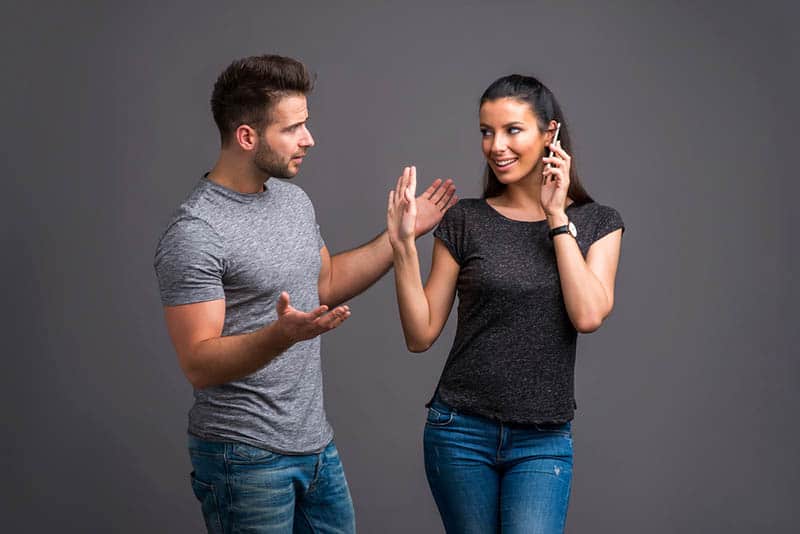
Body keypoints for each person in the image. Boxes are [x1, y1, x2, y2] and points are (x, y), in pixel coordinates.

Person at [153, 54, 456, 533]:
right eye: (293, 128)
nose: (309, 139)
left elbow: (326, 282)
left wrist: (399, 236)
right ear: (247, 137)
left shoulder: (293, 201)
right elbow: (199, 362)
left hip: (315, 447)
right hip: (243, 455)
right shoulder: (196, 231)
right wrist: (281, 336)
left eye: (306, 125)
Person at [386, 74, 624, 533]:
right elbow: (420, 335)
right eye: (486, 131)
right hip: (459, 432)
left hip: (542, 440)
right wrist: (401, 248)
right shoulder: (466, 220)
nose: (496, 146)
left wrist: (556, 217)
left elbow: (588, 314)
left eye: (512, 130)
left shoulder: (598, 222)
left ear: (549, 134)